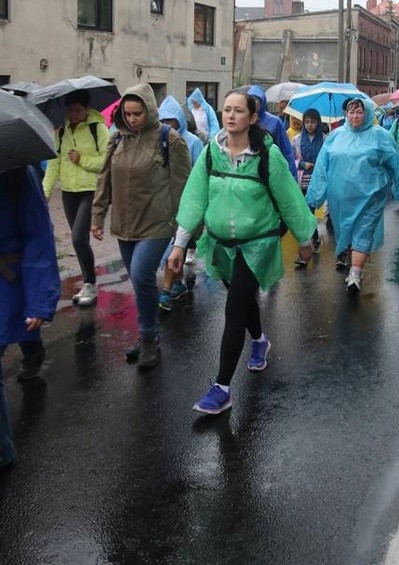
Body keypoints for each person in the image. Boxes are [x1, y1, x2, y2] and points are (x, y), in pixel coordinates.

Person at [168, 90, 316, 415]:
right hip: (221, 246)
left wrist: (305, 239)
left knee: (234, 309)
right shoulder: (210, 154)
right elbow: (194, 198)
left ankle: (221, 389)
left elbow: (289, 199)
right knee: (243, 299)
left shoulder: (267, 155)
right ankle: (260, 339)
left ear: (252, 117)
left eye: (238, 111)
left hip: (257, 245)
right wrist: (180, 244)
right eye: (226, 110)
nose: (231, 115)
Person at [91, 83, 191, 370]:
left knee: (141, 274)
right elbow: (104, 179)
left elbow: (182, 185)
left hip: (158, 223)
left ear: (149, 110)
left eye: (138, 113)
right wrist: (98, 217)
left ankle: (148, 338)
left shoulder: (168, 139)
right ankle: (148, 332)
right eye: (128, 113)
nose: (133, 119)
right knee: (138, 282)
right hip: (124, 224)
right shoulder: (117, 139)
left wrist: (185, 232)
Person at [305, 96, 399, 293]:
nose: (354, 116)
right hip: (340, 198)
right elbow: (322, 167)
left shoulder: (380, 136)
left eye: (359, 111)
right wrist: (315, 194)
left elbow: (395, 162)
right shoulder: (336, 136)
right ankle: (349, 258)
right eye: (351, 112)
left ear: (368, 113)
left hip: (371, 196)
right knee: (345, 230)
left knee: (363, 231)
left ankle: (355, 273)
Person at [1, 165, 61, 468]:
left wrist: (39, 302)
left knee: (24, 325)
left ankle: (2, 452)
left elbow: (39, 237)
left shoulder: (16, 172)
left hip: (8, 281)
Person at [43, 89, 111, 307]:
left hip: (90, 191)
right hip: (69, 192)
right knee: (79, 239)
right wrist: (45, 192)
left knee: (78, 238)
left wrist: (82, 160)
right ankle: (87, 282)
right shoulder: (61, 132)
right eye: (70, 110)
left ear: (86, 109)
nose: (73, 114)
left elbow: (107, 161)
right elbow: (54, 163)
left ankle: (90, 284)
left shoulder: (97, 128)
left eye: (78, 110)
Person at [157, 96, 204, 311]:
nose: (168, 125)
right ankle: (176, 283)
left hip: (187, 201)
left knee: (176, 243)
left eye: (171, 120)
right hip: (164, 201)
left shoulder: (192, 142)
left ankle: (166, 291)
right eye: (163, 120)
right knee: (174, 245)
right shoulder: (158, 141)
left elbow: (200, 172)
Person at [291, 108, 324, 261]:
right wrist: (303, 164)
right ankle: (311, 241)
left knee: (309, 211)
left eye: (313, 122)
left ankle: (311, 242)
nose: (310, 125)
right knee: (306, 212)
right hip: (302, 179)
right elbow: (291, 160)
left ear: (318, 123)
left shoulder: (325, 139)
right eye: (307, 122)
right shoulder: (296, 140)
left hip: (319, 181)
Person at [247, 85, 298, 180]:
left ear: (262, 102)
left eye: (257, 100)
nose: (254, 103)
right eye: (250, 100)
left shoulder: (274, 122)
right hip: (248, 171)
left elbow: (286, 151)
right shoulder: (243, 119)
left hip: (272, 170)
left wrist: (293, 177)